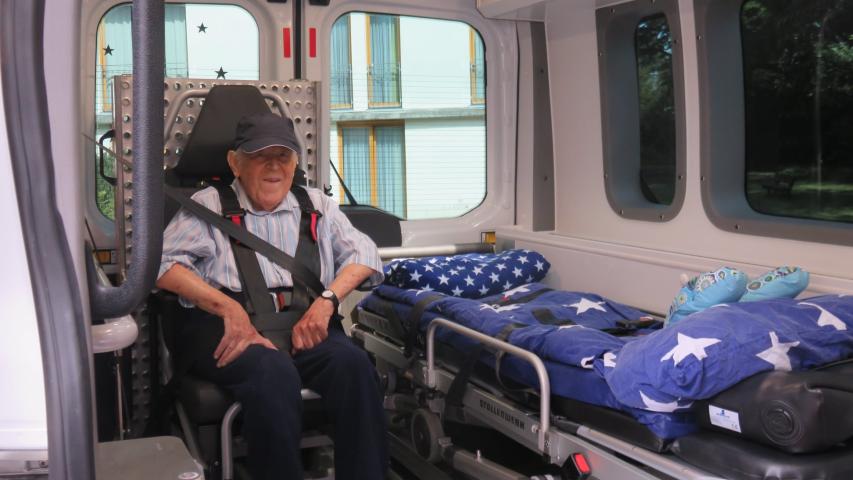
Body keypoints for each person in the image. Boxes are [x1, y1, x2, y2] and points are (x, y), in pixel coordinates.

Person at [156, 112, 388, 479]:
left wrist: (327, 301)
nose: (274, 166)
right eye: (260, 155)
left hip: (303, 323)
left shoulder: (318, 205)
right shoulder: (207, 205)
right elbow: (161, 266)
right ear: (235, 163)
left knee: (356, 367)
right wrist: (227, 308)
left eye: (283, 156)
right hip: (228, 329)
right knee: (273, 372)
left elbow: (366, 256)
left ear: (295, 163)